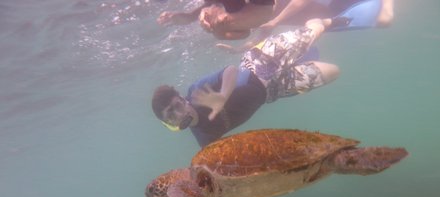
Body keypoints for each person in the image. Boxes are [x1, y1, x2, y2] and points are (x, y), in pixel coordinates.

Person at [151, 18, 340, 147]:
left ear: (183, 100)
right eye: (171, 114)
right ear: (169, 124)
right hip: (273, 91)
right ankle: (300, 60)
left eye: (177, 105)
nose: (179, 113)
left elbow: (231, 71)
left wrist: (223, 96)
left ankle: (321, 22)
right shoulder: (205, 139)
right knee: (333, 71)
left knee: (317, 29)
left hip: (261, 61)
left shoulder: (198, 93)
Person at [157, 0, 394, 41]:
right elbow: (242, 34)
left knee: (383, 18)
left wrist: (274, 22)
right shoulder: (226, 19)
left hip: (307, 10)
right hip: (312, 15)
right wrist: (181, 17)